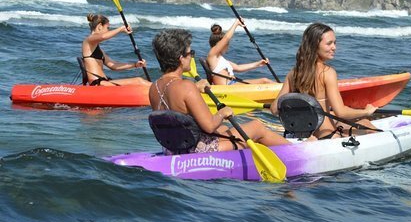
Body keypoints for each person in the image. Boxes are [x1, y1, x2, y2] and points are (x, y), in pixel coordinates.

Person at [149, 28, 290, 153]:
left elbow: (178, 110)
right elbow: (209, 125)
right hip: (198, 151)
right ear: (181, 59)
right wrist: (222, 112)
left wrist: (196, 90)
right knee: (257, 126)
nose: (192, 56)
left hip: (172, 149)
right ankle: (296, 152)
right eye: (190, 53)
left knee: (222, 129)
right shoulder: (186, 87)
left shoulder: (154, 87)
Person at [270, 22, 377, 139]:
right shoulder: (328, 73)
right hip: (326, 136)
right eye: (329, 43)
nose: (334, 47)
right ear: (315, 45)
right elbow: (341, 112)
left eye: (335, 43)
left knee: (341, 121)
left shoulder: (293, 73)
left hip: (298, 135)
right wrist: (366, 112)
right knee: (366, 123)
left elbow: (274, 109)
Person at [81, 13, 151, 86]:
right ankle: (159, 92)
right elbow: (103, 36)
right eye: (107, 28)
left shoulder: (97, 48)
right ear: (99, 26)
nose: (108, 31)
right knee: (139, 81)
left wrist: (135, 65)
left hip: (104, 82)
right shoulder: (88, 40)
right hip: (97, 84)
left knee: (140, 81)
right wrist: (121, 29)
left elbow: (113, 66)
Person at [206, 19, 273, 84]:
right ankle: (282, 93)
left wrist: (258, 64)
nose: (228, 46)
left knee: (265, 81)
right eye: (226, 44)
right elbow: (226, 38)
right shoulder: (212, 55)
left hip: (233, 84)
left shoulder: (220, 59)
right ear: (219, 44)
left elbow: (238, 68)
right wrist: (236, 23)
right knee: (265, 81)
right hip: (228, 88)